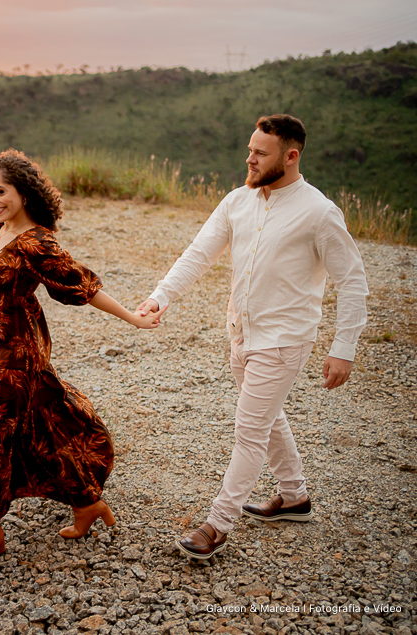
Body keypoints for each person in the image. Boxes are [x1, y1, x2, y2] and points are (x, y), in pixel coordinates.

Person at [136, 114, 369, 560]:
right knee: (265, 416)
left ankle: (217, 524)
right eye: (250, 150)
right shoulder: (236, 201)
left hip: (284, 340)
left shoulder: (319, 212)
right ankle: (295, 496)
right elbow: (198, 255)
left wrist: (344, 348)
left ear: (291, 156)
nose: (250, 159)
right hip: (241, 334)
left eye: (261, 153)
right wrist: (160, 297)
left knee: (249, 430)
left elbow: (353, 282)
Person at [0, 149, 168, 570]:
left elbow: (81, 285)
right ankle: (87, 503)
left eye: (1, 191)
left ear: (24, 191)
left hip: (16, 361)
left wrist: (132, 317)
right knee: (45, 431)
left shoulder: (36, 242)